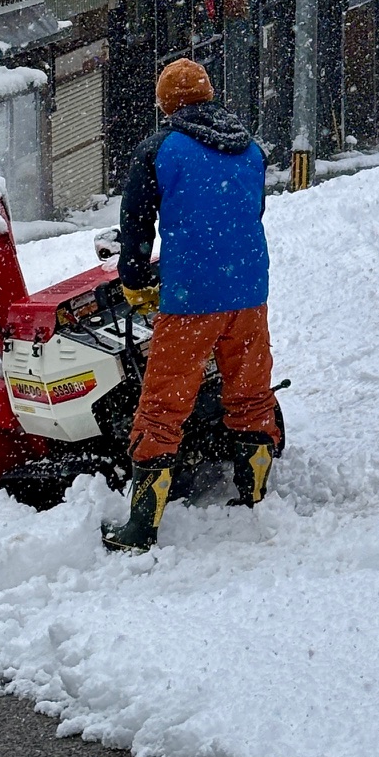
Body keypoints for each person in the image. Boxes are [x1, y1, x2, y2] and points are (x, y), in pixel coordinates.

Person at [102, 57, 280, 554]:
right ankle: (256, 497)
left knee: (162, 404)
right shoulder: (249, 147)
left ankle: (141, 528)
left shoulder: (160, 148)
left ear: (166, 105)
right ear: (209, 94)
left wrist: (135, 280)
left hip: (191, 299)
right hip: (248, 292)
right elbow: (248, 212)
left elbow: (137, 224)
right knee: (249, 392)